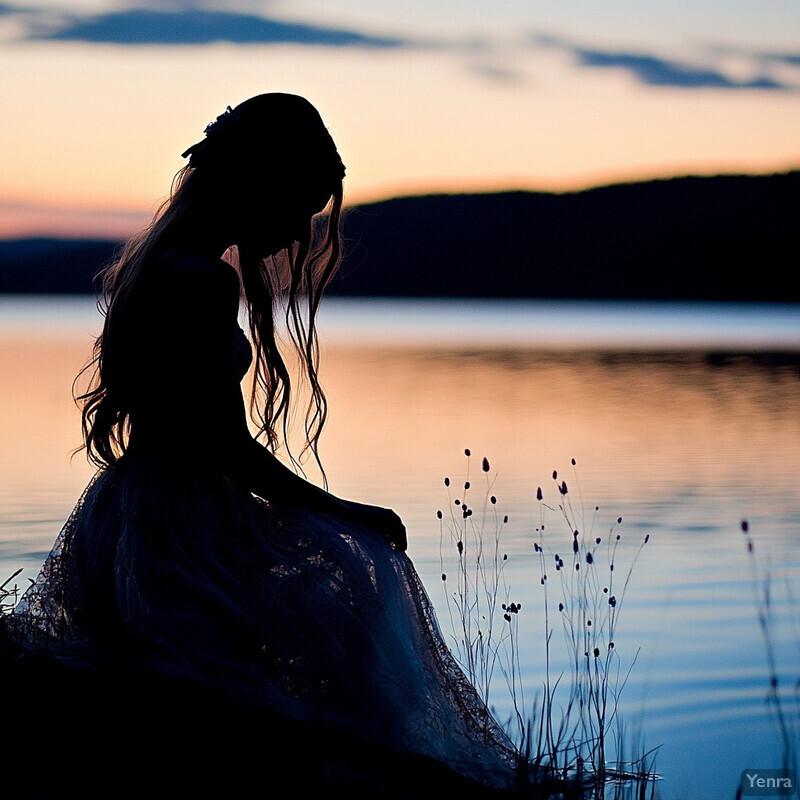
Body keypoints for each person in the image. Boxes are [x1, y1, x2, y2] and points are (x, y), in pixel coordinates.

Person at [6, 94, 523, 795]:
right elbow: (226, 446)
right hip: (178, 527)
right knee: (363, 582)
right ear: (259, 186)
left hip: (127, 512)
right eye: (298, 209)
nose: (295, 237)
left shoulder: (155, 267)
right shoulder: (203, 281)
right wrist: (346, 510)